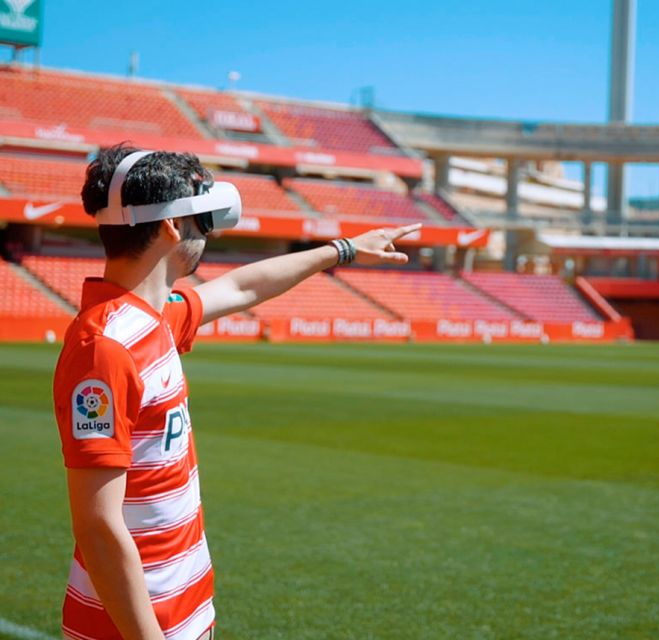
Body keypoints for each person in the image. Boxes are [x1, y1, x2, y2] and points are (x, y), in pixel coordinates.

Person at [53, 144, 420, 640]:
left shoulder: (152, 319)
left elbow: (243, 288)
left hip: (182, 610)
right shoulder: (106, 347)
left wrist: (344, 249)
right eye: (203, 222)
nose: (208, 234)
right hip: (129, 626)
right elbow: (97, 527)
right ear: (169, 228)